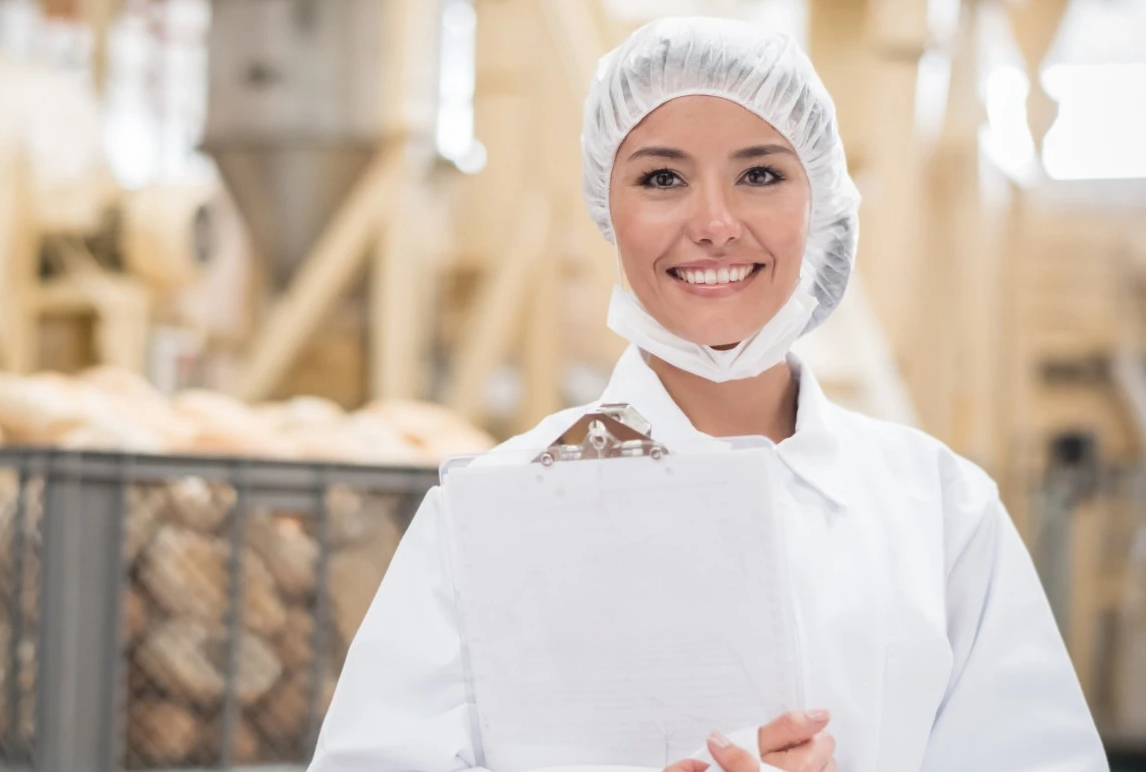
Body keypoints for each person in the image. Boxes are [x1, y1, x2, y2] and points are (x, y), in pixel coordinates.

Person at [307, 16, 1108, 772]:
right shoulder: (491, 516)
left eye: (760, 173)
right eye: (662, 178)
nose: (715, 222)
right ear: (607, 210)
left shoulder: (939, 511)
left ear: (820, 203)